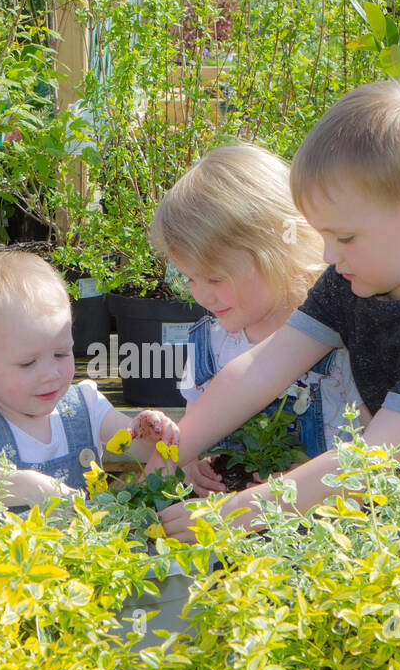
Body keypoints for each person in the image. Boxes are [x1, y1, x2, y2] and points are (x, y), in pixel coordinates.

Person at [157, 81, 400, 541]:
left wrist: (230, 515)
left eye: (343, 238)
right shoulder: (353, 281)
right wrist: (168, 458)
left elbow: (368, 463)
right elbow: (261, 368)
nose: (326, 255)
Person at [150, 143, 363, 495]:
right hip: (224, 528)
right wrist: (190, 466)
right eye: (189, 278)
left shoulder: (339, 333)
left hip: (319, 522)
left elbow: (365, 445)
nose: (201, 296)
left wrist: (307, 479)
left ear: (277, 250)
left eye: (216, 279)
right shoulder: (210, 343)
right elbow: (194, 431)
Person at [0, 251, 180, 508]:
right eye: (28, 363)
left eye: (61, 353)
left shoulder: (86, 405)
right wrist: (31, 486)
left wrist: (148, 432)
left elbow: (143, 452)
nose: (51, 374)